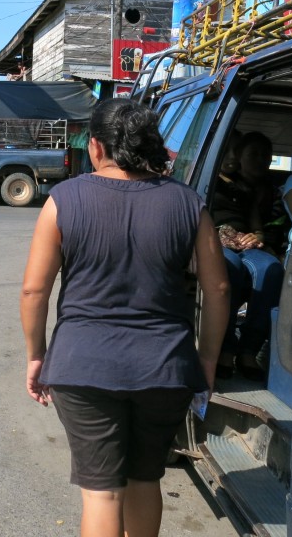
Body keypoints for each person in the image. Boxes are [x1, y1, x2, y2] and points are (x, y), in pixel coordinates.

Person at [20, 98, 230, 537]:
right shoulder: (189, 204)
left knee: (102, 492)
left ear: (96, 147)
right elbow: (218, 289)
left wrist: (36, 355)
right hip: (165, 367)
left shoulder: (63, 200)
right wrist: (206, 361)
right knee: (144, 478)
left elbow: (34, 290)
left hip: (83, 366)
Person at [210, 131, 285, 381]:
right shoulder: (207, 180)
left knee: (270, 269)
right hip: (214, 242)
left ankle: (248, 351)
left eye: (236, 151)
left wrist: (257, 237)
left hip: (245, 243)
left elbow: (257, 227)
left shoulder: (244, 188)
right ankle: (226, 349)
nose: (232, 157)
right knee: (229, 268)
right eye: (227, 150)